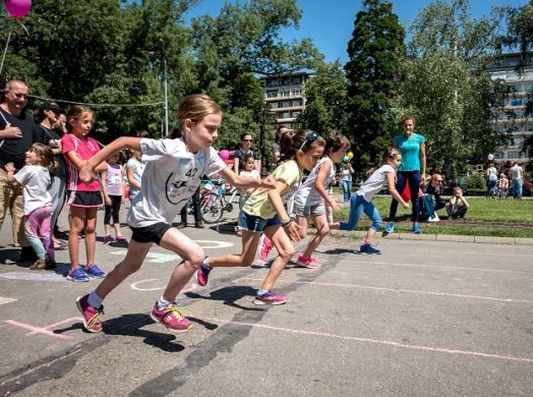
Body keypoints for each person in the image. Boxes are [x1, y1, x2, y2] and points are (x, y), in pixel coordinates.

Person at [75, 94, 275, 333]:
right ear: (189, 125)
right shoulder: (171, 148)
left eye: (217, 130)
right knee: (195, 255)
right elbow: (122, 141)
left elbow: (235, 180)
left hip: (158, 218)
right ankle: (164, 305)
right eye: (210, 128)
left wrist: (259, 183)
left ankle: (91, 301)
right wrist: (89, 164)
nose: (215, 135)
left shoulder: (206, 153)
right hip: (146, 217)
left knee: (130, 266)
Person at [195, 129, 325, 305]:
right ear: (301, 153)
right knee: (245, 260)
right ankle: (207, 263)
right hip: (255, 212)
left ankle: (264, 292)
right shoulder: (292, 169)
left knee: (287, 252)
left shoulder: (298, 168)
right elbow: (273, 194)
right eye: (315, 157)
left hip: (268, 213)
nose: (317, 162)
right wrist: (287, 221)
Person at [331, 147, 409, 254]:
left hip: (364, 199)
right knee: (350, 226)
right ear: (389, 160)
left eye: (400, 160)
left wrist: (394, 174)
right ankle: (326, 226)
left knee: (377, 221)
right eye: (398, 160)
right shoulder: (388, 169)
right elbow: (391, 189)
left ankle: (366, 246)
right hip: (360, 199)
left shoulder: (386, 168)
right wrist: (403, 202)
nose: (400, 163)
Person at [62, 105, 108, 282]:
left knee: (90, 228)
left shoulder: (92, 142)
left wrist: (90, 164)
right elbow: (79, 165)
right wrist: (91, 164)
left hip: (94, 188)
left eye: (91, 122)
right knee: (76, 228)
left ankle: (90, 264)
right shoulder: (69, 139)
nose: (89, 125)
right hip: (78, 188)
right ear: (73, 121)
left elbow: (105, 165)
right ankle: (74, 268)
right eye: (85, 121)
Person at [0, 79, 45, 262]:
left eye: (25, 96)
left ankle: (27, 247)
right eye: (18, 95)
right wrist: (4, 134)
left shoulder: (27, 118)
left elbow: (38, 141)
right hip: (1, 169)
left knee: (23, 213)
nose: (22, 99)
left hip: (22, 173)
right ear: (6, 93)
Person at [293, 131, 349, 268]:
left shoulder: (330, 163)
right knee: (300, 233)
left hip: (315, 199)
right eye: (342, 151)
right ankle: (270, 239)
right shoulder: (327, 163)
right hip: (304, 198)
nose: (344, 155)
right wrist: (330, 201)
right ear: (331, 150)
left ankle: (304, 258)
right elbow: (318, 184)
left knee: (324, 229)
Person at [3, 143, 56, 269]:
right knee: (45, 233)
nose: (27, 153)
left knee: (31, 233)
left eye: (31, 151)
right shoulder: (45, 170)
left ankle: (43, 258)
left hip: (34, 208)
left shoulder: (28, 169)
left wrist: (10, 172)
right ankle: (51, 257)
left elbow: (11, 180)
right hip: (47, 206)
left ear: (40, 157)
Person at [385, 115, 426, 235]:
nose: (408, 127)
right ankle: (390, 223)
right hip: (401, 171)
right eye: (406, 125)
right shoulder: (397, 139)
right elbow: (392, 156)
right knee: (396, 196)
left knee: (415, 198)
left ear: (414, 126)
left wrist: (423, 172)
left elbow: (423, 156)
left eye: (410, 125)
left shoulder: (420, 138)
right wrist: (393, 171)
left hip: (415, 171)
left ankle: (416, 224)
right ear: (403, 126)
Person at [36, 102, 68, 250]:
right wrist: (58, 150)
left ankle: (50, 234)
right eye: (55, 112)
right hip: (49, 173)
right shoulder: (38, 129)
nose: (58, 115)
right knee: (50, 206)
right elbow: (37, 151)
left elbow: (68, 144)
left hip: (61, 172)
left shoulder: (55, 132)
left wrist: (63, 128)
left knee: (57, 205)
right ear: (46, 112)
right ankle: (45, 237)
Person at [100, 152, 127, 244]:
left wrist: (123, 194)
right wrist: (106, 196)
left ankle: (118, 233)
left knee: (116, 214)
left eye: (117, 156)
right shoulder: (105, 166)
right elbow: (103, 182)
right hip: (110, 193)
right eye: (114, 155)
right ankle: (107, 234)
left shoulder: (120, 167)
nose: (116, 157)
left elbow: (123, 181)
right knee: (108, 213)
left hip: (118, 194)